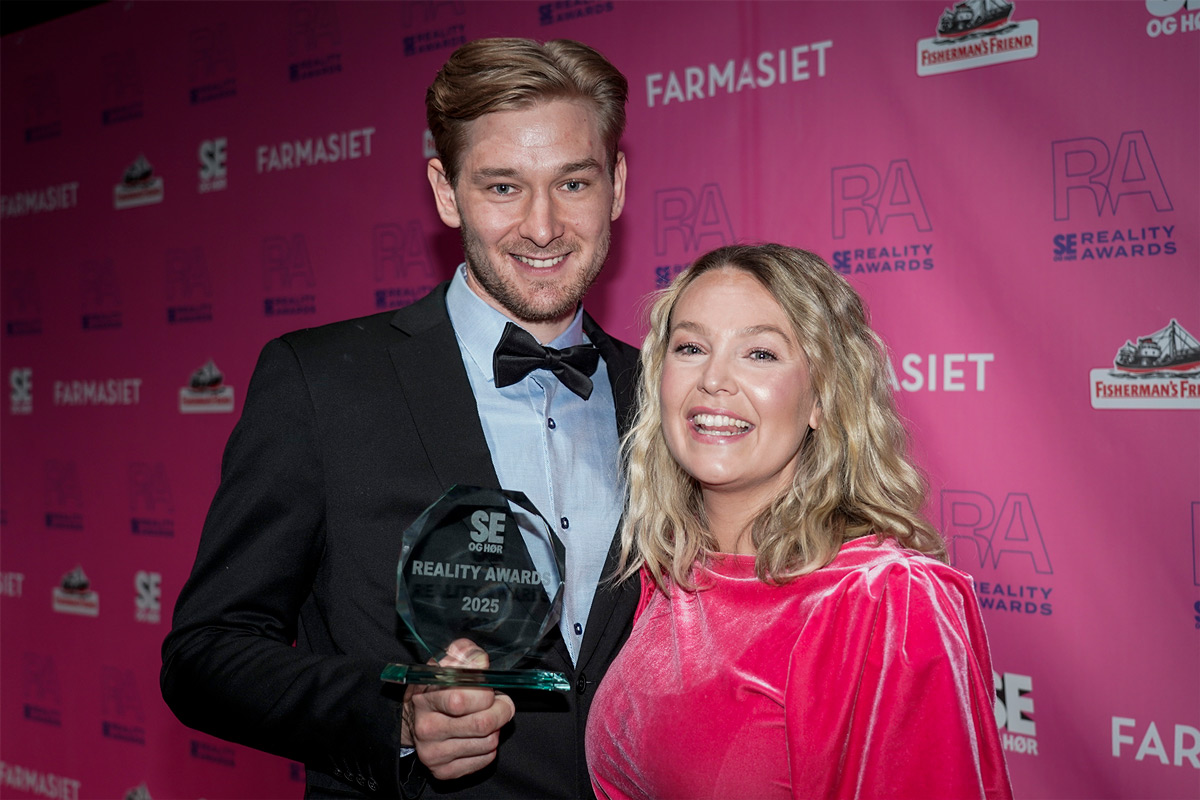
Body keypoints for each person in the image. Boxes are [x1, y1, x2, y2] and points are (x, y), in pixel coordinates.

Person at [162, 38, 640, 799]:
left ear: (615, 185)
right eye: (503, 187)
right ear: (446, 193)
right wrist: (395, 714)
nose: (544, 227)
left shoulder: (666, 399)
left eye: (573, 182)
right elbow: (205, 653)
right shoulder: (320, 382)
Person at [586, 244, 1013, 800]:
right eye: (690, 347)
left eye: (760, 354)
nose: (714, 379)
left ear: (821, 399)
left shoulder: (884, 601)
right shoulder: (662, 576)